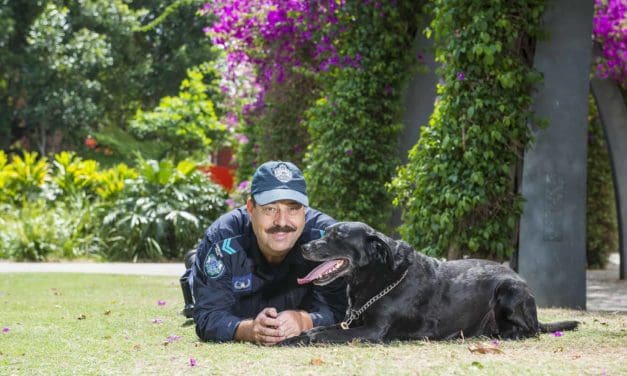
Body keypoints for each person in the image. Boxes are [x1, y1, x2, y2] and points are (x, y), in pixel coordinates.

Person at [180, 161, 347, 345]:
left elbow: (341, 308)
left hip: (297, 304)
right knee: (194, 291)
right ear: (251, 209)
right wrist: (249, 330)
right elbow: (208, 315)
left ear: (305, 210)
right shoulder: (222, 238)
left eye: (293, 208)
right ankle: (195, 262)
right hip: (239, 303)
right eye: (270, 208)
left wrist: (304, 321)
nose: (282, 221)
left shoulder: (328, 239)